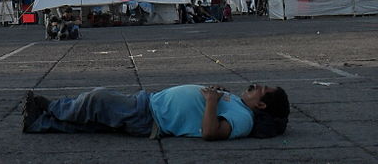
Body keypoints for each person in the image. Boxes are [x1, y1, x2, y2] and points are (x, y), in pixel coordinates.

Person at [22, 83, 290, 140]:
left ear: (262, 105)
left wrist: (210, 100)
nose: (254, 85)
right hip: (151, 105)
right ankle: (38, 123)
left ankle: (50, 107)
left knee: (98, 99)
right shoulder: (240, 105)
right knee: (95, 123)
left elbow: (211, 132)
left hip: (151, 116)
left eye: (261, 89)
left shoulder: (244, 119)